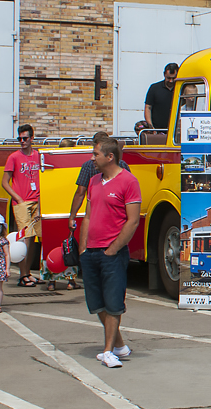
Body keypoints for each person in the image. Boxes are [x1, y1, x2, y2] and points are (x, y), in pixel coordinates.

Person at [79, 138, 142, 368]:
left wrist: (113, 249)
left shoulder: (129, 181)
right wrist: (83, 247)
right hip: (91, 252)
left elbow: (132, 221)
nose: (92, 158)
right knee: (97, 304)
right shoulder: (94, 181)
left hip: (112, 253)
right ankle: (119, 346)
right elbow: (87, 215)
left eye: (96, 154)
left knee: (114, 303)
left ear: (110, 156)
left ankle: (108, 351)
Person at [2, 123, 42, 287]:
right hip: (22, 202)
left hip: (37, 200)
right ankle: (23, 275)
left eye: (25, 138)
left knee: (34, 238)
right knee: (25, 238)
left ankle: (28, 273)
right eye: (20, 138)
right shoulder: (14, 157)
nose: (22, 141)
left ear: (32, 138)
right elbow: (5, 182)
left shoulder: (38, 155)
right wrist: (18, 198)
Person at [68, 132, 130, 233]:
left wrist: (72, 216)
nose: (93, 158)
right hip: (117, 218)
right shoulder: (122, 165)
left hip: (95, 216)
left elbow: (80, 192)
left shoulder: (88, 166)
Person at [144, 62, 180, 131]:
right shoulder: (154, 88)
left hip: (175, 131)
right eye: (168, 78)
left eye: (173, 78)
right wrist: (151, 128)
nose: (171, 81)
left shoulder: (181, 89)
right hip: (157, 130)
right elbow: (148, 108)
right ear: (164, 74)